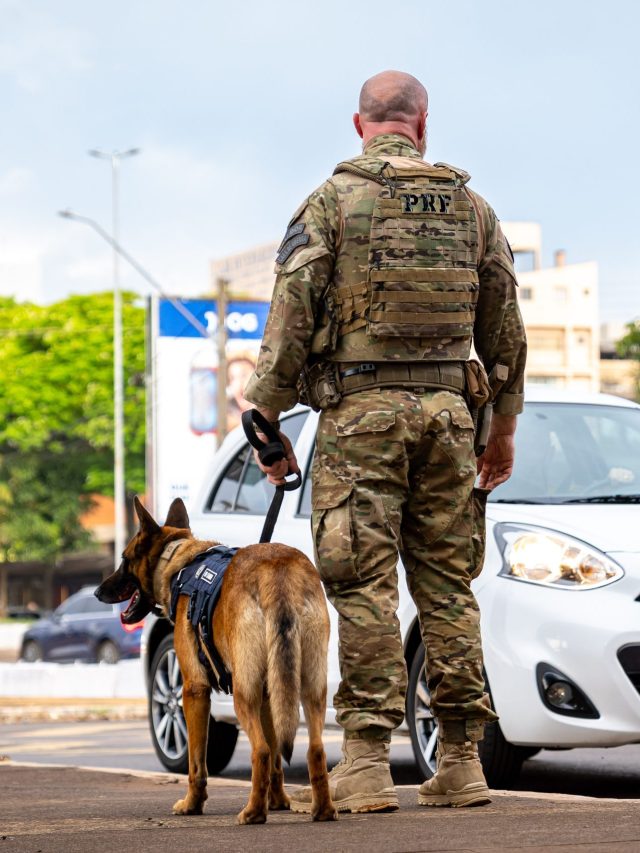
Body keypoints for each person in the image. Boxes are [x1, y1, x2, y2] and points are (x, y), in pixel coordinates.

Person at [243, 69, 527, 814]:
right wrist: (501, 429)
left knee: (364, 585)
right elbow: (505, 330)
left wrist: (264, 416)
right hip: (449, 416)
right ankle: (462, 758)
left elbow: (292, 314)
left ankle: (367, 764)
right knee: (447, 586)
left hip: (361, 416)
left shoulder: (333, 202)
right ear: (422, 123)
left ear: (359, 124)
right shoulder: (472, 208)